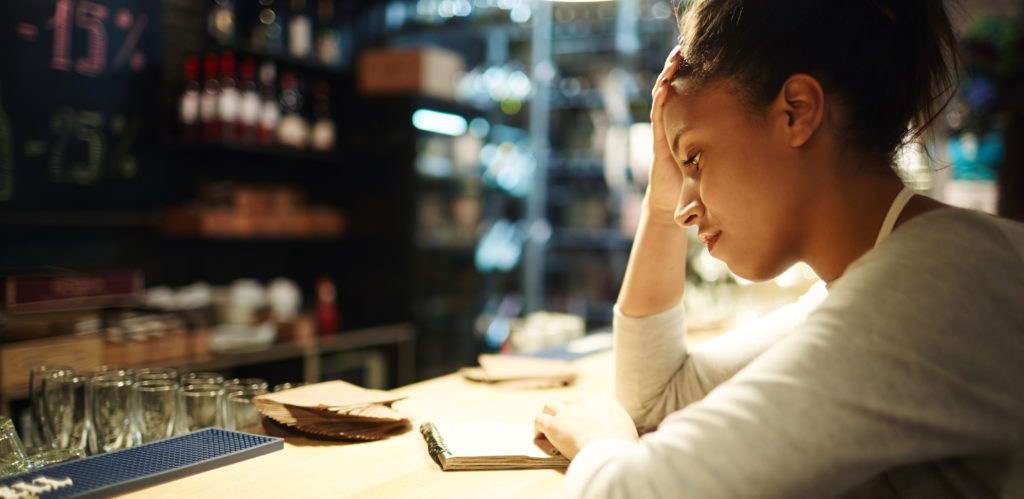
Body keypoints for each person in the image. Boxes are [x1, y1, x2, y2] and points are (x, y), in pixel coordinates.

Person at [533, 0, 1024, 497]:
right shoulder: (887, 275)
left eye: (697, 158)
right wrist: (661, 199)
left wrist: (598, 441)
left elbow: (632, 493)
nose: (684, 210)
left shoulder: (933, 291)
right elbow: (659, 400)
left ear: (797, 112)